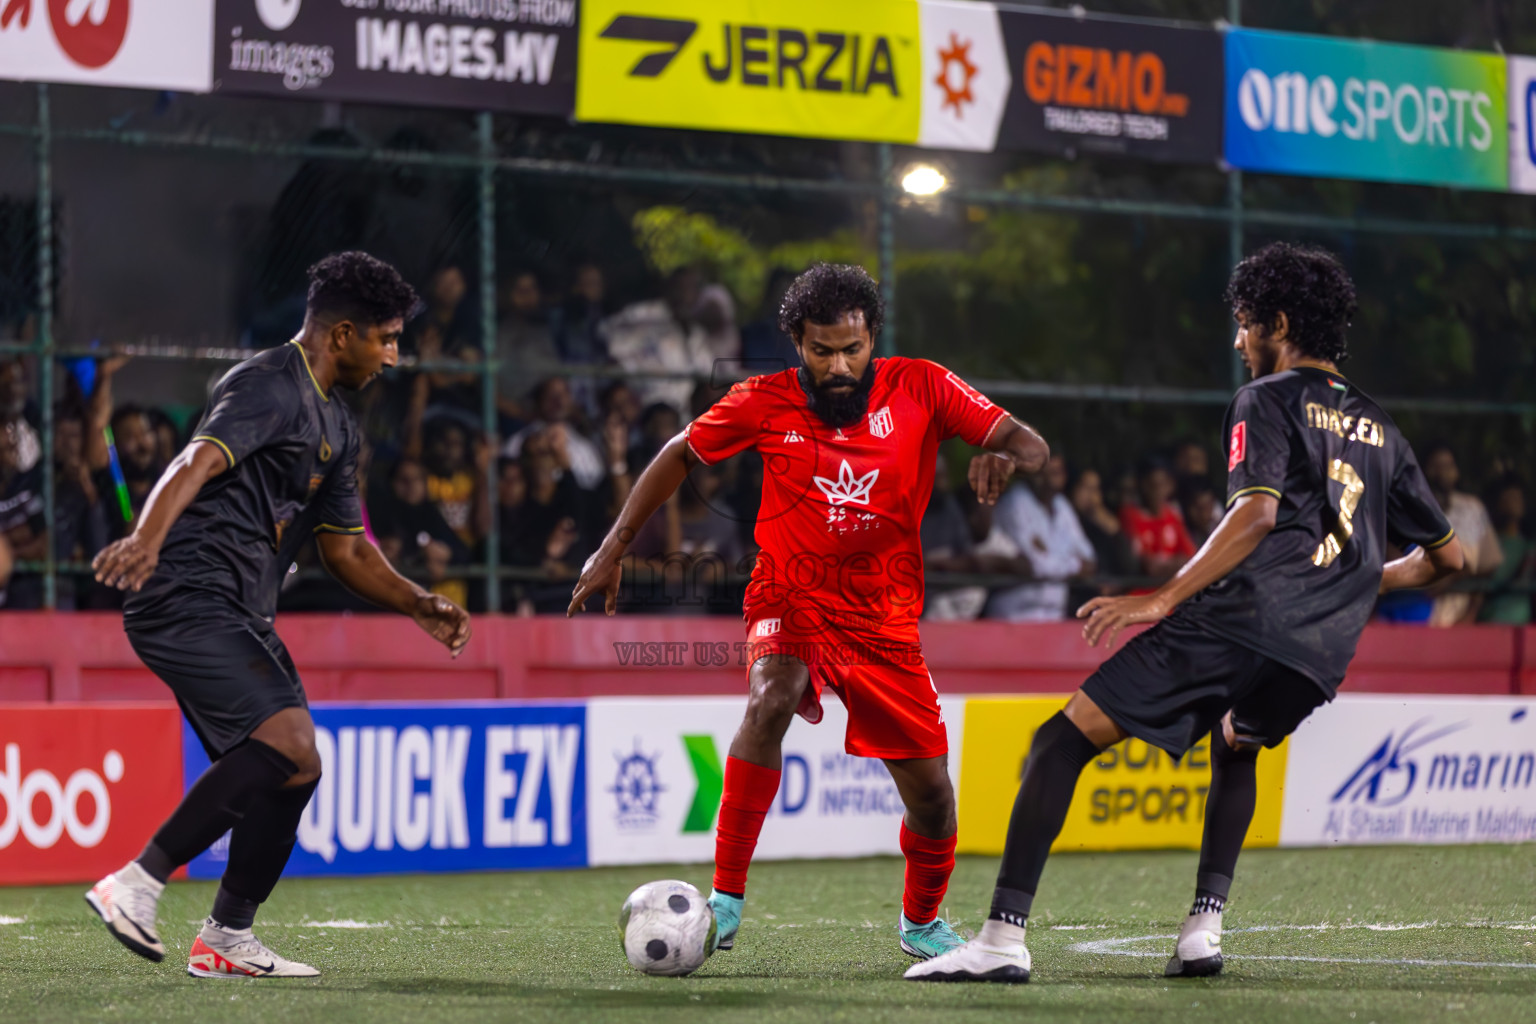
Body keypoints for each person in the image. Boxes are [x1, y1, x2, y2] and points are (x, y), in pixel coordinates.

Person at [907, 242, 1463, 984]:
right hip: (1322, 648)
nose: (1238, 342)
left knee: (1058, 741)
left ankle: (1001, 939)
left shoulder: (1264, 399)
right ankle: (1203, 930)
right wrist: (1357, 580)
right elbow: (1449, 560)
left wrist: (1162, 597)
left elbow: (1257, 514)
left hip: (1242, 617)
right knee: (1237, 744)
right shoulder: (1383, 430)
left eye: (1243, 325)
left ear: (1279, 322)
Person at [568, 263, 1048, 962]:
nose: (839, 365)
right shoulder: (762, 400)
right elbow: (678, 454)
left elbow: (1029, 442)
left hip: (883, 620)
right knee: (771, 699)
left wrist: (1004, 455)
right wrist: (611, 549)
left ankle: (921, 921)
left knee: (934, 798)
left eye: (852, 348)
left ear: (872, 337)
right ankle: (725, 902)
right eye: (822, 351)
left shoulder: (923, 384)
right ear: (797, 342)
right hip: (788, 596)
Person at [84, 252, 471, 980]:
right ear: (343, 333)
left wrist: (417, 602)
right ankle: (132, 885)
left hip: (240, 608)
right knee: (288, 741)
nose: (394, 356)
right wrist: (145, 538)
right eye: (386, 339)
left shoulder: (340, 426)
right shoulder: (268, 383)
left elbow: (347, 553)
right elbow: (195, 460)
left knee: (296, 768)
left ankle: (226, 937)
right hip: (186, 593)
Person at [988, 454, 1095, 621]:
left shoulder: (1062, 505)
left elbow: (1089, 559)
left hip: (1053, 617)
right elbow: (1035, 565)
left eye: (1057, 471)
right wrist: (1073, 564)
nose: (1052, 477)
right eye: (1048, 471)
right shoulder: (1015, 502)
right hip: (1015, 614)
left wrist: (1051, 555)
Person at [1420, 443, 1501, 626]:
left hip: (1462, 616)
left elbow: (1488, 567)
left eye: (1448, 465)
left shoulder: (1473, 508)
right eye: (1436, 466)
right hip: (1418, 616)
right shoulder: (1412, 509)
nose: (1442, 472)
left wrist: (1454, 579)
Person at [1121, 457, 1196, 585]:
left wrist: (1166, 565)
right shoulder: (1130, 514)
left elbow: (1192, 558)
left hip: (1173, 589)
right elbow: (1149, 567)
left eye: (1162, 484)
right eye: (1153, 485)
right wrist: (1176, 563)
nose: (1158, 491)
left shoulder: (1173, 514)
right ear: (1142, 485)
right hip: (1143, 591)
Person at [1478, 474, 1532, 625]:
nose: (1514, 503)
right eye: (1508, 498)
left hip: (1523, 624)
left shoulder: (1530, 546)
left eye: (1517, 498)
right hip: (1490, 621)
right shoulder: (1488, 543)